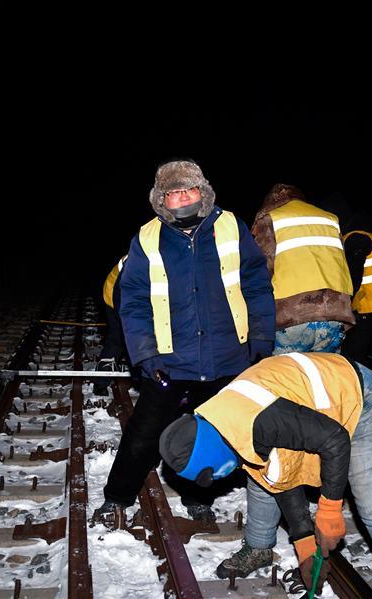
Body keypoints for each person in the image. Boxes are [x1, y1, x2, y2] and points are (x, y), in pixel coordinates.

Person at [159, 352, 372, 599]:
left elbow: (335, 440)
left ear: (213, 456)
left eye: (213, 475)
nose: (218, 480)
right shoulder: (223, 423)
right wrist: (305, 546)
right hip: (309, 414)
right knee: (259, 477)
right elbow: (279, 478)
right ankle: (259, 547)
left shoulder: (258, 422)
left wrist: (329, 509)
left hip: (358, 400)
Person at [93, 159, 275, 523]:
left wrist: (261, 336)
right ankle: (117, 497)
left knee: (213, 433)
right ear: (162, 201)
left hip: (228, 357)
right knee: (143, 434)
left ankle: (198, 497)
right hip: (170, 362)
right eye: (173, 194)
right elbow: (133, 302)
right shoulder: (146, 238)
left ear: (203, 193)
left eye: (189, 191)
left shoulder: (230, 227)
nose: (182, 199)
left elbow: (256, 284)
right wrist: (145, 355)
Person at [250, 184, 355, 354]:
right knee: (323, 376)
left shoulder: (271, 219)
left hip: (291, 318)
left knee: (286, 378)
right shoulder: (330, 219)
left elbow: (258, 272)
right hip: (335, 315)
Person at [320, 192, 372, 364]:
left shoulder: (356, 238)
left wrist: (338, 307)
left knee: (353, 360)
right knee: (354, 358)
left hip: (363, 311)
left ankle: (355, 389)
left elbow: (352, 278)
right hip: (366, 309)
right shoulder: (359, 233)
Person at [93, 255, 128, 396]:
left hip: (139, 297)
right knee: (118, 337)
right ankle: (101, 382)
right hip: (115, 295)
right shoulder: (138, 259)